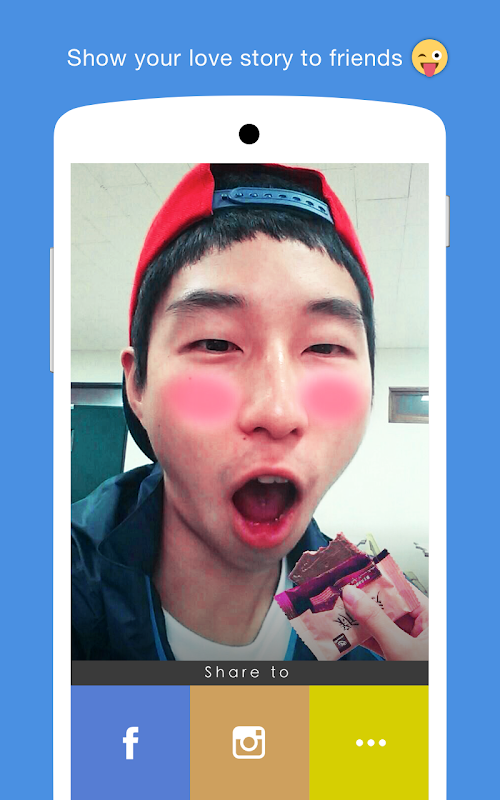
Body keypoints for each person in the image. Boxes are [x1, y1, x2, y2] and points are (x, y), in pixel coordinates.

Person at [72, 163, 428, 661]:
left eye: (325, 347)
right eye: (216, 343)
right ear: (137, 385)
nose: (278, 412)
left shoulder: (389, 644)